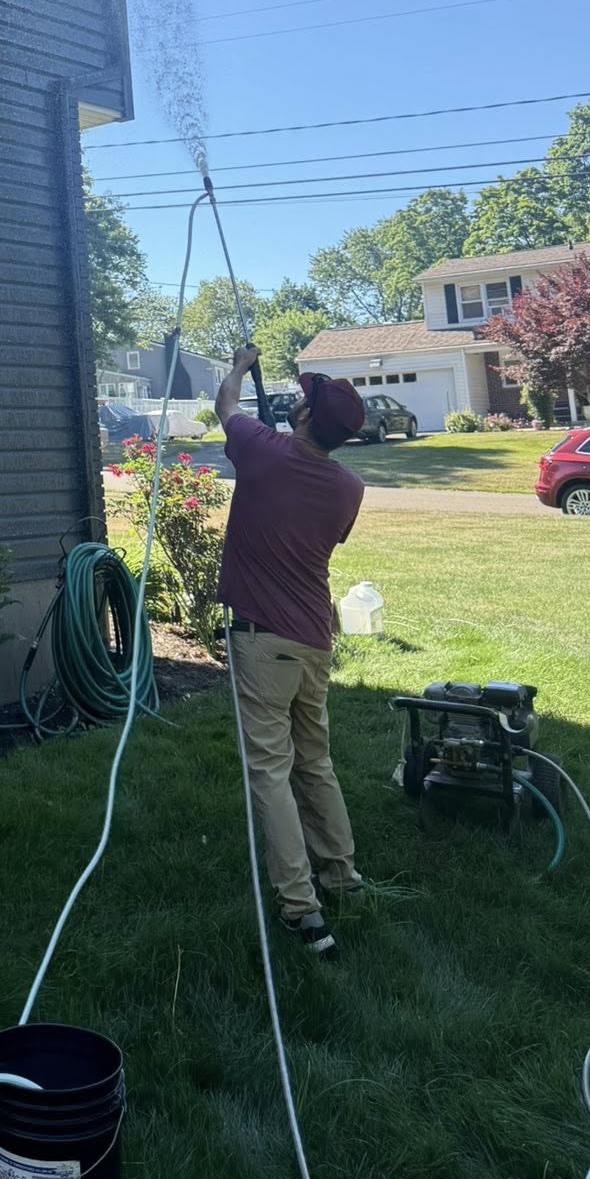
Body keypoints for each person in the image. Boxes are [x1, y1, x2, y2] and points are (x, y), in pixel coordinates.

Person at [215, 349, 366, 956]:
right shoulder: (349, 488)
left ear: (303, 414)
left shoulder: (261, 451)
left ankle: (300, 908)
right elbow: (297, 477)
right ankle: (343, 879)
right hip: (312, 642)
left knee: (271, 773)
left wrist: (238, 364)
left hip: (264, 641)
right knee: (315, 763)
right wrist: (289, 441)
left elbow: (226, 404)